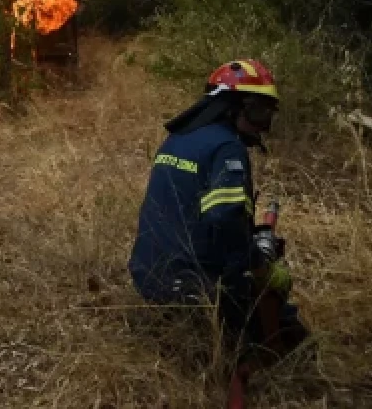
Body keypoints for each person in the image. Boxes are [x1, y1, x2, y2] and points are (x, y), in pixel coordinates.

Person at [128, 60, 307, 354]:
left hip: (146, 276)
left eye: (267, 115)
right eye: (258, 112)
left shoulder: (178, 138)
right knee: (293, 340)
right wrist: (261, 268)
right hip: (190, 289)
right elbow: (226, 221)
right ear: (231, 106)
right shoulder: (227, 148)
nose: (261, 125)